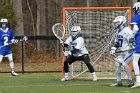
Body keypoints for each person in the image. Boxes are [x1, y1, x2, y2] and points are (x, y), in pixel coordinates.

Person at [110, 16, 134, 87]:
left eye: (117, 22)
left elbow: (132, 41)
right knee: (117, 63)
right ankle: (119, 81)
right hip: (123, 52)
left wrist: (131, 49)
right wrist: (113, 48)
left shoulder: (127, 30)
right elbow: (117, 43)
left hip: (130, 51)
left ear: (121, 22)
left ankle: (130, 81)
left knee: (124, 63)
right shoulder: (118, 31)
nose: (115, 24)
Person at [129, 2, 140, 88]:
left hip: (139, 41)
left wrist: (132, 37)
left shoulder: (137, 16)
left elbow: (135, 28)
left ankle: (138, 81)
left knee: (135, 61)